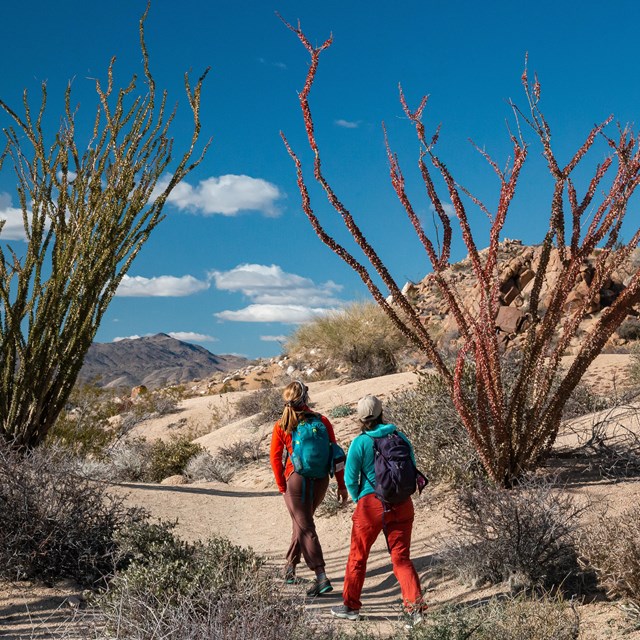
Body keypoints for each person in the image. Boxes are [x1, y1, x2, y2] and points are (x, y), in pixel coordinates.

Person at [331, 394, 425, 626]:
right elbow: (411, 465)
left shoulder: (360, 443)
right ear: (382, 412)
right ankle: (415, 610)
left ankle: (351, 606)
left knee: (358, 556)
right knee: (401, 558)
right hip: (402, 504)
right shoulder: (399, 436)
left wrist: (359, 499)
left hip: (370, 506)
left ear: (361, 418)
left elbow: (351, 478)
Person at [270, 380, 349, 596]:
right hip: (321, 479)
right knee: (302, 522)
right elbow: (336, 455)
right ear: (305, 397)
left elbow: (275, 458)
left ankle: (321, 576)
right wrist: (341, 485)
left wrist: (281, 484)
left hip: (295, 479)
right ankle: (290, 568)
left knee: (305, 526)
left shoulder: (282, 425)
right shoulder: (322, 421)